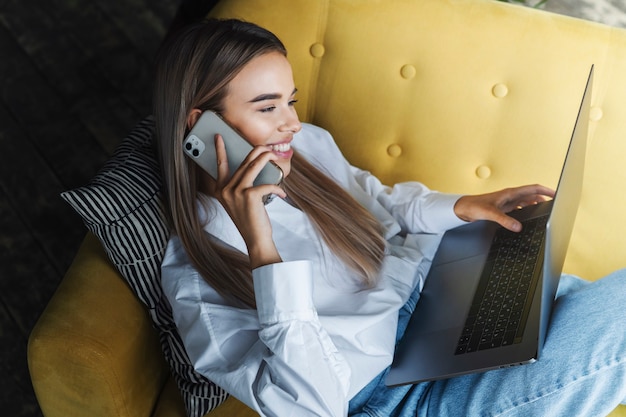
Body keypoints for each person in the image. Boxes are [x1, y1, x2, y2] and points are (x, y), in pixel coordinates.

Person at [153, 18, 626, 417]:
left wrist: (463, 206)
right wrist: (262, 249)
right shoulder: (197, 277)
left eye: (290, 100)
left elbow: (375, 198)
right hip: (399, 394)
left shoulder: (304, 146)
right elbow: (311, 405)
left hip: (438, 289)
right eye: (267, 106)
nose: (292, 123)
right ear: (200, 125)